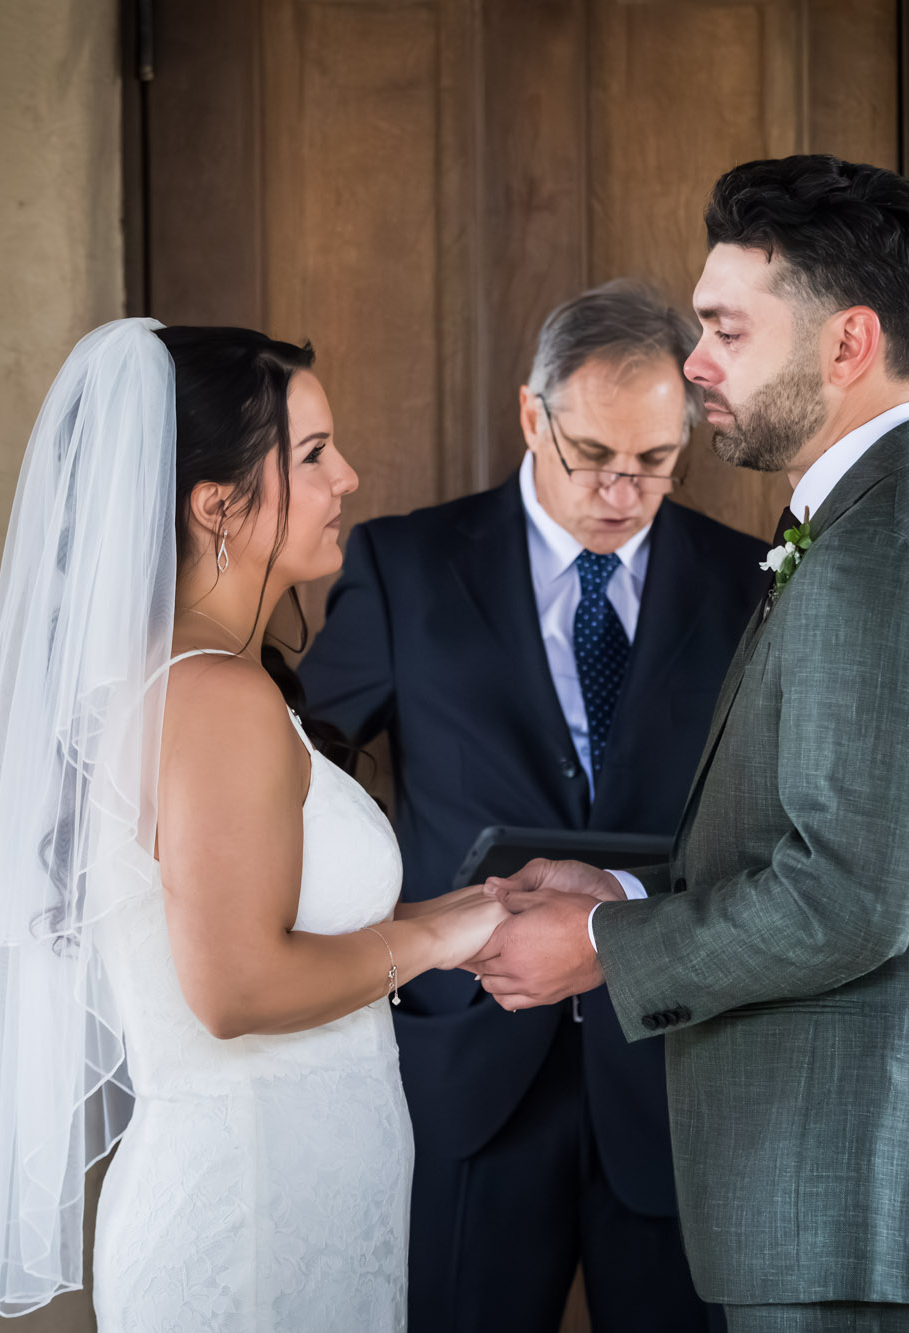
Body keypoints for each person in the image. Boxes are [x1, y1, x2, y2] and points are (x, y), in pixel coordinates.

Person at [469, 158, 909, 1331]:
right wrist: (622, 886)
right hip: (834, 1201)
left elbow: (845, 897)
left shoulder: (885, 551)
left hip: (860, 1208)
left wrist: (602, 945)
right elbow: (823, 842)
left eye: (727, 330)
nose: (693, 362)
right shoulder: (856, 517)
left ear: (845, 346)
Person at [0, 319, 507, 1329]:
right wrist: (436, 937)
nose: (347, 475)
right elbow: (237, 985)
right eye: (310, 456)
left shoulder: (206, 680)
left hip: (290, 1197)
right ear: (215, 505)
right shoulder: (212, 694)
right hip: (247, 1223)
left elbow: (258, 927)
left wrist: (477, 908)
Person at [297, 282, 768, 1332]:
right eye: (591, 454)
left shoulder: (749, 585)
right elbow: (298, 772)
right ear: (529, 417)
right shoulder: (403, 566)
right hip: (465, 1067)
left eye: (653, 461)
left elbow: (775, 825)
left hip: (671, 1067)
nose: (621, 489)